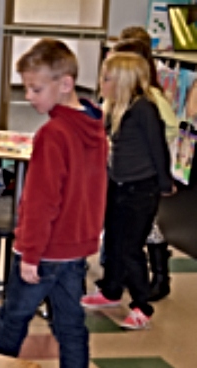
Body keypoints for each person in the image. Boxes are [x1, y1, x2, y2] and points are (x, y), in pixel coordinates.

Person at [0, 39, 108, 368]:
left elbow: (40, 202)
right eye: (26, 88)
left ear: (66, 83)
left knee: (12, 322)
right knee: (71, 328)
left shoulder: (53, 134)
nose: (30, 96)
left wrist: (29, 252)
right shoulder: (95, 128)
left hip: (44, 252)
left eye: (36, 88)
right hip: (75, 251)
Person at [80, 52, 174, 329]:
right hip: (117, 184)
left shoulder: (143, 108)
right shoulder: (114, 107)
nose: (101, 82)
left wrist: (165, 183)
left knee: (131, 248)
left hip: (141, 189)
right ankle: (111, 290)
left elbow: (158, 148)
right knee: (113, 242)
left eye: (106, 78)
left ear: (123, 81)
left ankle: (141, 305)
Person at [112, 34, 177, 301]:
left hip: (146, 173)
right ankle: (124, 276)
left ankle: (160, 278)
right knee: (136, 232)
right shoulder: (122, 102)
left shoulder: (150, 102)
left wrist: (161, 175)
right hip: (133, 172)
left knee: (148, 229)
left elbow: (166, 132)